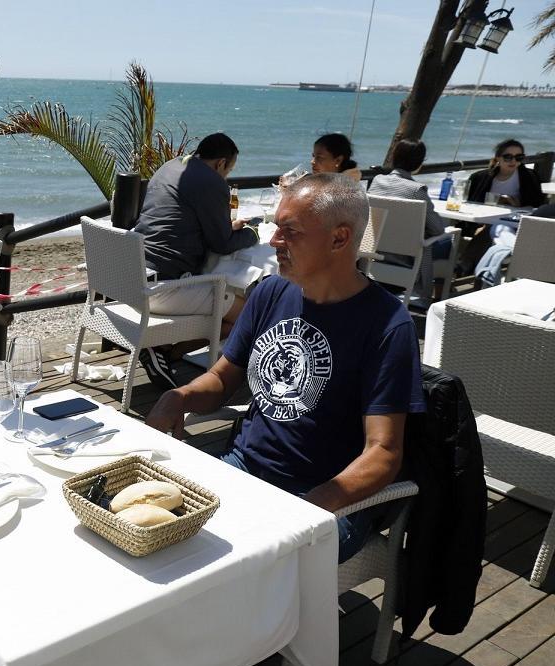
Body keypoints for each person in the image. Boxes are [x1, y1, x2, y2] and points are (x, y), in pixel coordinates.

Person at [145, 173, 425, 563]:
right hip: (242, 468)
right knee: (154, 538)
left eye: (289, 232)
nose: (274, 242)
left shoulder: (387, 324)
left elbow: (384, 453)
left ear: (340, 239)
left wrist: (309, 506)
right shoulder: (272, 291)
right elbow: (222, 378)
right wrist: (178, 398)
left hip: (326, 498)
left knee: (226, 568)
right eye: (277, 228)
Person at [130, 132, 258, 388]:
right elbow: (221, 245)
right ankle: (167, 352)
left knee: (229, 309)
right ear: (220, 163)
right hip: (164, 288)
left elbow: (182, 218)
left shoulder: (171, 166)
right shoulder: (212, 182)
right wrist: (251, 234)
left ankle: (164, 349)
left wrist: (225, 227)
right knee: (250, 315)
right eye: (228, 170)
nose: (225, 177)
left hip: (132, 276)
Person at [368, 138, 451, 303]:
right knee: (449, 242)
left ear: (394, 157)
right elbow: (437, 229)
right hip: (406, 260)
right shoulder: (417, 190)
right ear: (419, 163)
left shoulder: (376, 181)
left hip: (374, 255)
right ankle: (439, 298)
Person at [465, 139, 545, 208]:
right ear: (498, 158)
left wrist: (516, 202)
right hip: (483, 219)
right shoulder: (478, 178)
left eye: (518, 157)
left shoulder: (530, 177)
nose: (513, 161)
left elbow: (537, 204)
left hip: (514, 221)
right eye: (508, 157)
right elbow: (470, 203)